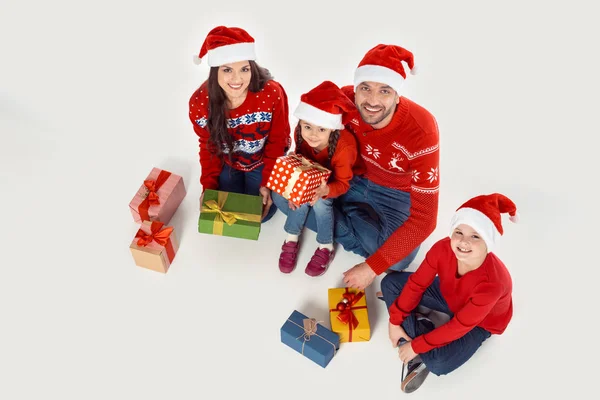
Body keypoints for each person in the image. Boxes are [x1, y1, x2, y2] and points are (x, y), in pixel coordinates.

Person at [381, 193, 517, 393]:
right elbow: (418, 283)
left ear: (488, 243)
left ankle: (416, 343)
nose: (463, 242)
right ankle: (417, 330)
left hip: (479, 323)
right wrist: (394, 321)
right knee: (390, 283)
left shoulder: (492, 284)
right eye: (459, 232)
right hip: (449, 295)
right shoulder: (443, 248)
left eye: (475, 236)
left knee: (439, 364)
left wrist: (416, 346)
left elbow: (458, 326)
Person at [188, 26, 291, 221]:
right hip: (228, 161)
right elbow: (208, 146)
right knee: (228, 209)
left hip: (262, 159)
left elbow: (277, 141)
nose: (237, 79)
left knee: (261, 214)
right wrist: (208, 187)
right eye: (227, 70)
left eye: (244, 69)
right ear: (215, 71)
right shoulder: (200, 103)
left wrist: (268, 182)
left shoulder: (271, 94)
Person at [271, 81, 358, 276]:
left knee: (319, 203)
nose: (313, 135)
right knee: (290, 196)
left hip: (334, 184)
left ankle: (326, 245)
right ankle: (291, 237)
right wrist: (295, 189)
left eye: (321, 129)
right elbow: (302, 162)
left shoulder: (345, 148)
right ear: (300, 124)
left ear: (332, 129)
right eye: (307, 127)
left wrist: (324, 191)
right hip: (312, 178)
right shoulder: (301, 135)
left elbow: (343, 183)